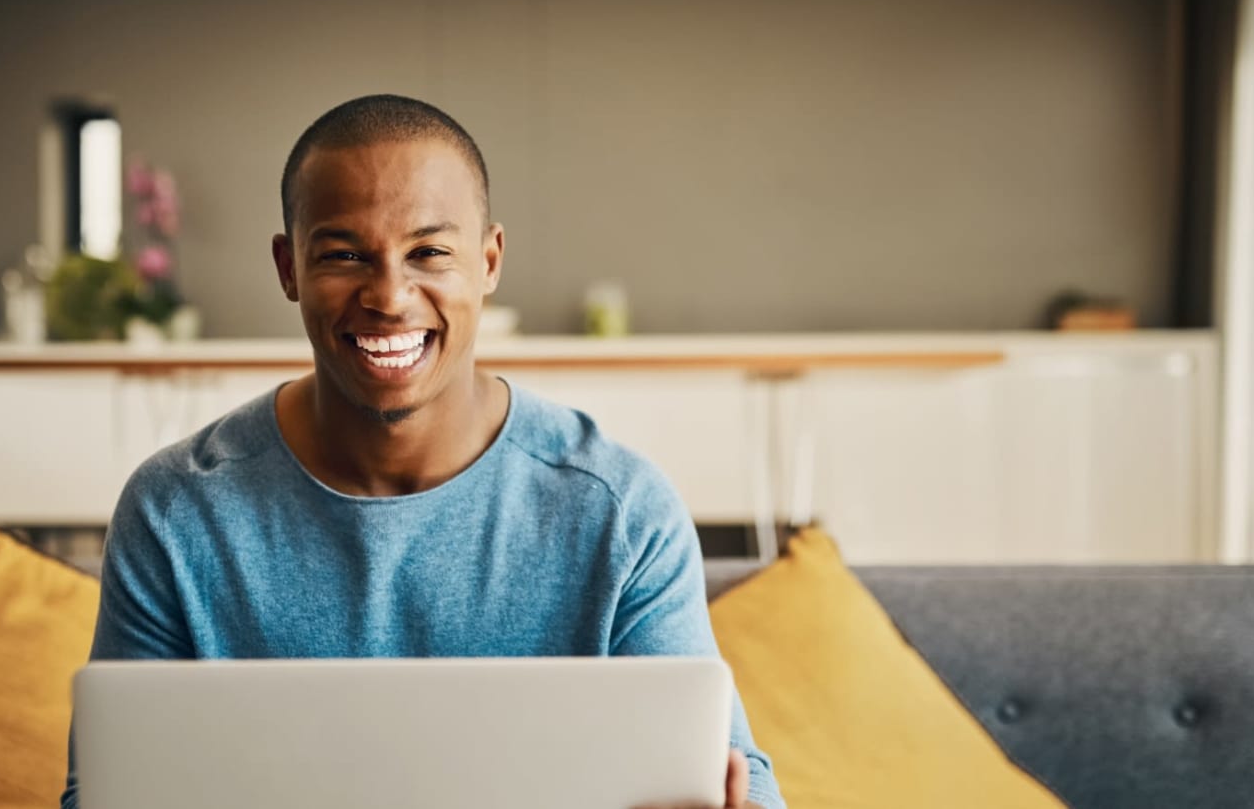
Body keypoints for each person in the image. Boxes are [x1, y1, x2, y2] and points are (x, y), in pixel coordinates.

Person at [61, 94, 783, 809]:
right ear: (288, 269)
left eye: (429, 252)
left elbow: (736, 783)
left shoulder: (620, 512)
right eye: (344, 255)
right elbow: (103, 793)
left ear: (489, 259)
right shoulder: (175, 512)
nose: (390, 296)